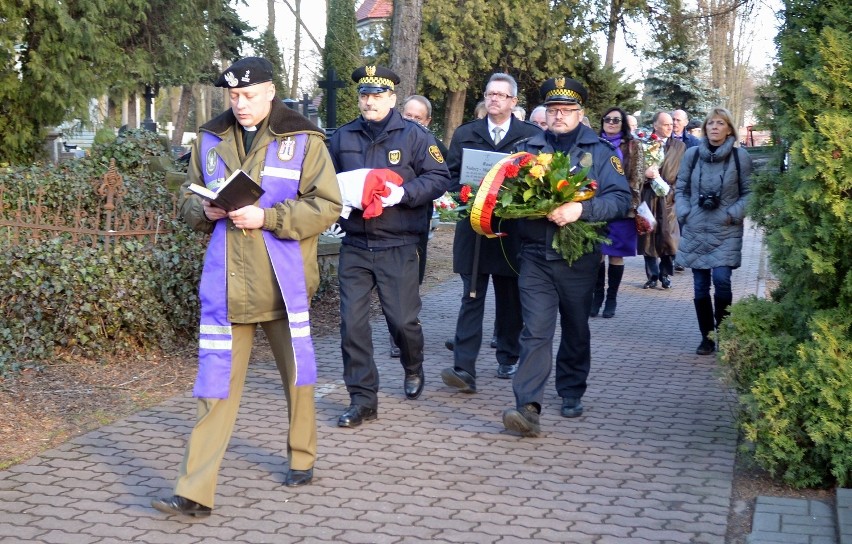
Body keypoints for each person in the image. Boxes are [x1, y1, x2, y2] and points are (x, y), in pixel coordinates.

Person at [152, 57, 342, 517]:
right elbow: (187, 196)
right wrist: (205, 212)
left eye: (249, 95)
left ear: (271, 92)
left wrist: (270, 217)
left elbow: (327, 205)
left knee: (297, 379)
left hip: (283, 283)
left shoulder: (303, 139)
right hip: (228, 286)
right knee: (213, 388)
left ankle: (302, 455)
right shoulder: (210, 138)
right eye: (233, 96)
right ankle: (194, 492)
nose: (239, 104)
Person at [502, 76, 631, 437]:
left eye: (567, 110)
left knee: (575, 327)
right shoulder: (527, 151)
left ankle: (571, 389)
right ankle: (527, 406)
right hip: (535, 256)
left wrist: (580, 210)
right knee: (535, 331)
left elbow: (621, 201)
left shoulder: (601, 153)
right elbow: (506, 193)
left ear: (580, 113)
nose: (559, 116)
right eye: (553, 110)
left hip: (579, 256)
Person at [328, 66, 452, 428]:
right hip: (355, 242)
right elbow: (323, 180)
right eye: (365, 95)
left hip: (397, 241)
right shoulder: (342, 137)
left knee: (402, 320)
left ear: (392, 98)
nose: (369, 101)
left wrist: (405, 193)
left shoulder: (413, 136)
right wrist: (334, 208)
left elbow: (440, 177)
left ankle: (413, 365)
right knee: (352, 325)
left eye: (377, 95)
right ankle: (362, 398)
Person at [440, 73, 542, 395]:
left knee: (510, 298)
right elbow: (451, 176)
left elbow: (535, 180)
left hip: (512, 231)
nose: (494, 99)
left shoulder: (529, 135)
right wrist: (465, 194)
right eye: (490, 94)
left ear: (513, 101)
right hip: (474, 229)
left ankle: (508, 355)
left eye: (501, 95)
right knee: (471, 297)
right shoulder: (466, 133)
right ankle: (463, 366)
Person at [675, 107, 752, 355]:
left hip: (725, 228)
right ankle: (707, 337)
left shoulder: (740, 158)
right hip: (696, 227)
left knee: (721, 281)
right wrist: (684, 212)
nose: (714, 127)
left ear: (729, 128)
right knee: (699, 286)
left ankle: (724, 333)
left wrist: (733, 214)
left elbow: (750, 193)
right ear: (705, 128)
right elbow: (681, 188)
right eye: (710, 123)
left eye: (720, 123)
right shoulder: (693, 155)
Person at [590, 107, 645, 318]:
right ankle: (597, 296)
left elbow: (636, 177)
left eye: (616, 120)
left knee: (616, 255)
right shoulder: (594, 144)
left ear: (623, 124)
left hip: (622, 208)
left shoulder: (632, 145)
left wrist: (625, 201)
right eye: (608, 119)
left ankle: (611, 298)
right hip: (596, 206)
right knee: (597, 254)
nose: (611, 123)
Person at [637, 111, 686, 290]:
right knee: (647, 237)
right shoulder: (643, 145)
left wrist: (674, 191)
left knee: (668, 238)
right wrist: (645, 176)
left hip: (669, 198)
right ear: (655, 125)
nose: (670, 127)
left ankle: (665, 274)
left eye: (671, 124)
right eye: (665, 124)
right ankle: (652, 276)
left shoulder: (679, 146)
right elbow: (634, 172)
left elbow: (683, 172)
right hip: (648, 196)